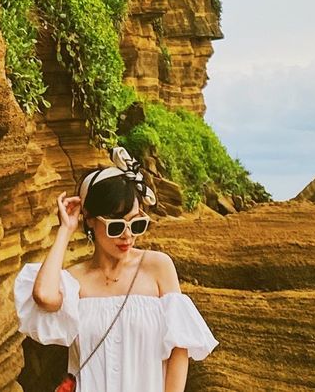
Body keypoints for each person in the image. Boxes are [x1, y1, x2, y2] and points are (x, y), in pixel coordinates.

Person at [13, 147, 219, 391]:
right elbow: (44, 296)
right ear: (89, 220)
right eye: (115, 226)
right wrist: (66, 229)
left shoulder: (158, 267)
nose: (127, 235)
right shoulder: (76, 279)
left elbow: (179, 348)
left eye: (136, 223)